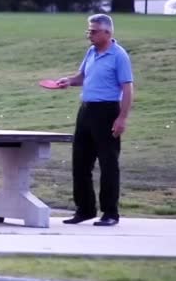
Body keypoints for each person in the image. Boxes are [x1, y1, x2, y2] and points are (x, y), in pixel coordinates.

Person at [56, 14, 134, 227]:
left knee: (108, 164)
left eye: (93, 31)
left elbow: (127, 88)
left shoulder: (119, 56)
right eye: (88, 30)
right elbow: (82, 77)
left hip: (107, 111)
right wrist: (69, 81)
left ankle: (110, 213)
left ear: (107, 33)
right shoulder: (91, 51)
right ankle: (85, 209)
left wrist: (122, 117)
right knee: (80, 163)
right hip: (86, 111)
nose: (88, 34)